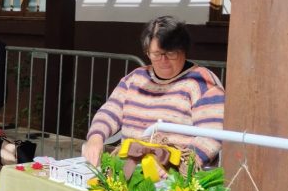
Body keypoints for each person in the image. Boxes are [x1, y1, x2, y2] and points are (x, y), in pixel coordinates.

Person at [82, 15, 225, 168]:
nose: (163, 60)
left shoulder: (202, 82)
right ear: (147, 52)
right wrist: (95, 138)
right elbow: (110, 111)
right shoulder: (135, 78)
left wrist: (177, 165)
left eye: (171, 53)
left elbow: (212, 135)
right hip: (130, 169)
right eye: (156, 54)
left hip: (175, 178)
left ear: (183, 51)